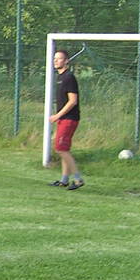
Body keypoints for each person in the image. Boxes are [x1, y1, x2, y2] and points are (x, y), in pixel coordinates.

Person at [48, 48, 83, 191]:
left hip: (69, 119)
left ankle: (78, 179)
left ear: (66, 61)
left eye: (59, 58)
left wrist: (57, 115)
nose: (56, 61)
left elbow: (72, 101)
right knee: (63, 148)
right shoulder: (60, 77)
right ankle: (64, 180)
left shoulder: (69, 77)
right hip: (63, 119)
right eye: (54, 58)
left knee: (61, 149)